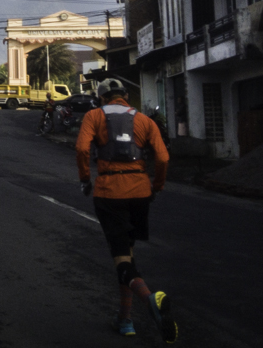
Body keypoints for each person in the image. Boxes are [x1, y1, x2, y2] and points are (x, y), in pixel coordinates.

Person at [75, 78, 175, 343]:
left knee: (121, 259)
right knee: (127, 257)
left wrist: (85, 180)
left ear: (102, 97)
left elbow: (82, 149)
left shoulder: (94, 116)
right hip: (140, 192)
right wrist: (157, 186)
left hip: (109, 192)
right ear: (125, 96)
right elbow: (163, 158)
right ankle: (125, 319)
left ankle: (149, 298)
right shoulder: (144, 120)